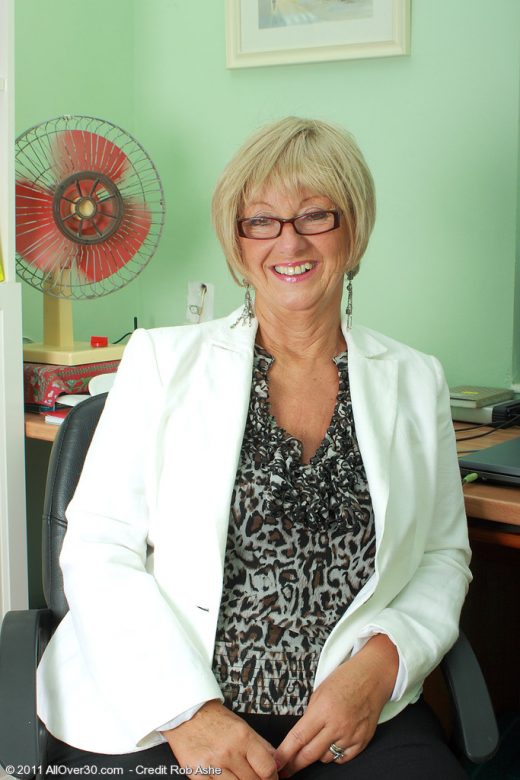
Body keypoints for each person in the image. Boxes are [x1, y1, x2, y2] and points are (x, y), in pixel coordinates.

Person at [38, 116, 471, 779]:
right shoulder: (161, 362)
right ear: (238, 245)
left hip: (349, 716)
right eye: (261, 221)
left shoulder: (417, 379)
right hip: (166, 708)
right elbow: (99, 548)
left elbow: (443, 555)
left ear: (353, 230)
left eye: (315, 215)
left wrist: (383, 663)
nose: (289, 241)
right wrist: (187, 713)